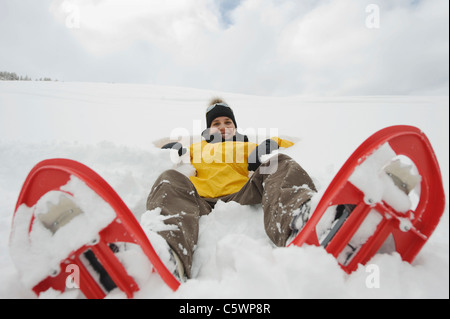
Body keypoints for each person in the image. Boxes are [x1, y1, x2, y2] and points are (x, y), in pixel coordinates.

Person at [145, 98, 317, 281]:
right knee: (169, 178)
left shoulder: (248, 145)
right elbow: (152, 149)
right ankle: (168, 250)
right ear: (207, 129)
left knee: (279, 162)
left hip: (242, 193)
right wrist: (174, 147)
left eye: (228, 122)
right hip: (200, 200)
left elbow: (295, 142)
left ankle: (297, 219)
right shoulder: (196, 147)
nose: (223, 126)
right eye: (216, 123)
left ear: (235, 126)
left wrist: (270, 144)